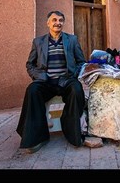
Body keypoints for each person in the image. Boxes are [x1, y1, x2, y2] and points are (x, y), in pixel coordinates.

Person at [16, 10, 86, 153]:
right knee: (32, 90)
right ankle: (36, 138)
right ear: (48, 23)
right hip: (46, 81)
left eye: (60, 20)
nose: (57, 23)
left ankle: (71, 132)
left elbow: (81, 62)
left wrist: (73, 75)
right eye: (54, 20)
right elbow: (30, 64)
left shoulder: (72, 40)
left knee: (77, 89)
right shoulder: (38, 42)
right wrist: (39, 77)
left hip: (65, 81)